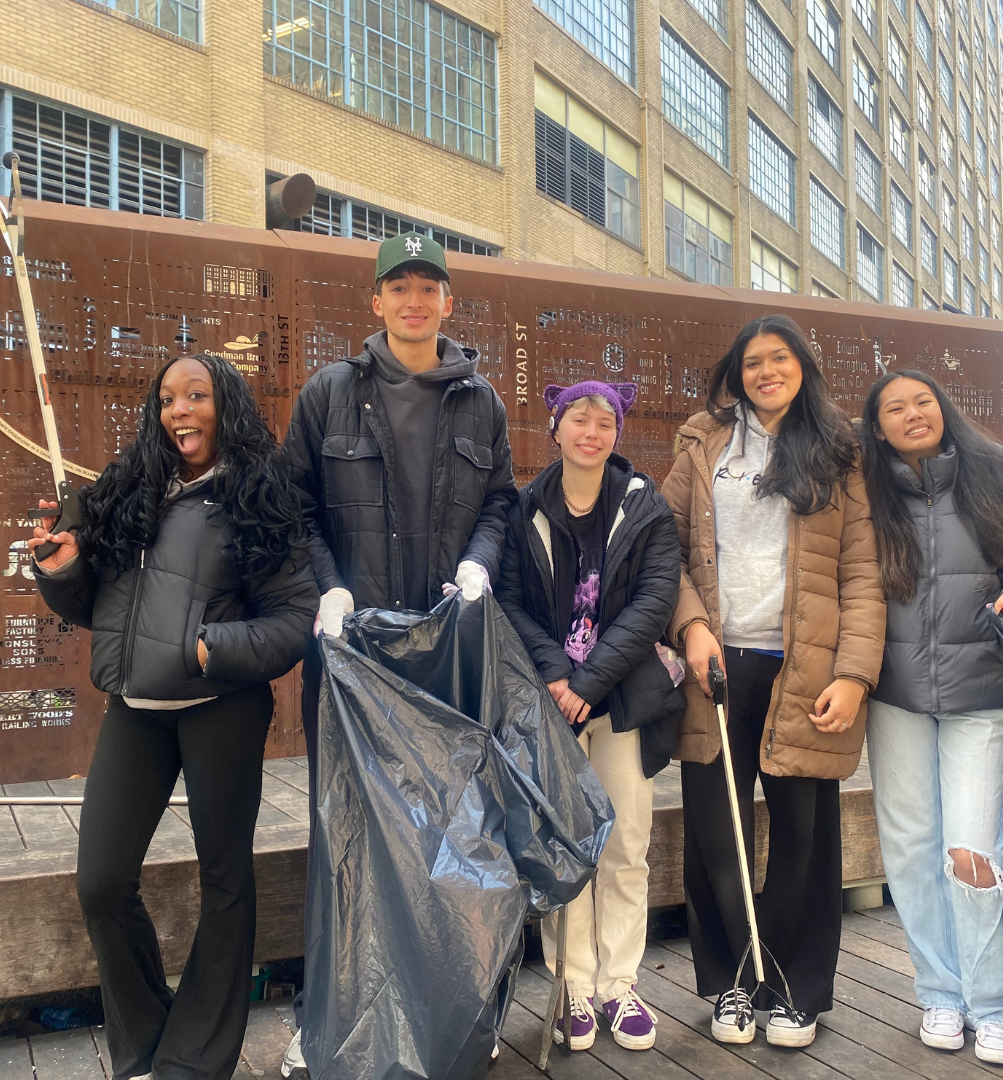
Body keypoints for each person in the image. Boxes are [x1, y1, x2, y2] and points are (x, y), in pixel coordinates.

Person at [28, 354, 318, 1080]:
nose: (179, 410)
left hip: (220, 705)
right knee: (100, 879)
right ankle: (145, 1046)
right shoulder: (132, 491)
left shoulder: (256, 494)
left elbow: (296, 620)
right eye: (167, 399)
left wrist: (205, 647)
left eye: (197, 396)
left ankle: (196, 1059)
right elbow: (96, 608)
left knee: (226, 880)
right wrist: (61, 570)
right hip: (136, 710)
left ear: (228, 406)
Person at [281, 232, 517, 1077]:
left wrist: (478, 565)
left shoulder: (480, 402)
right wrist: (328, 590)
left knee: (453, 840)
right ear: (375, 301)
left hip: (442, 657)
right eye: (399, 286)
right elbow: (294, 507)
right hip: (352, 658)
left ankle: (454, 1017)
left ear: (449, 302)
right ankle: (331, 1026)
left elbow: (500, 503)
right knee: (345, 839)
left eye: (430, 287)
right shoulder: (329, 394)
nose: (414, 300)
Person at [660, 314, 885, 1048]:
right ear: (736, 372)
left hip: (808, 670)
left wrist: (853, 674)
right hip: (717, 664)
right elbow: (663, 547)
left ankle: (796, 988)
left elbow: (861, 571)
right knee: (716, 832)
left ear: (802, 367)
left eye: (778, 359)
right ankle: (728, 984)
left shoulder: (839, 450)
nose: (765, 372)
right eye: (752, 362)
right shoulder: (703, 442)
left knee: (804, 838)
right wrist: (692, 626)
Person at [858, 370, 1003, 1066]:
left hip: (980, 696)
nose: (913, 415)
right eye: (895, 409)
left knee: (971, 852)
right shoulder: (866, 494)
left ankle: (995, 1003)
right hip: (895, 697)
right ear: (876, 426)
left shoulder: (996, 482)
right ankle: (940, 994)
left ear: (944, 411)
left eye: (923, 403)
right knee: (911, 852)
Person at [496, 380, 684, 1052]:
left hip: (625, 701)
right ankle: (574, 983)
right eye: (579, 418)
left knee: (626, 844)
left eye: (606, 421)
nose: (592, 431)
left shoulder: (646, 506)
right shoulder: (524, 510)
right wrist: (556, 673)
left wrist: (591, 679)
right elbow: (510, 600)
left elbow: (656, 601)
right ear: (556, 426)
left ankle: (618, 983)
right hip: (553, 706)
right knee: (568, 846)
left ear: (618, 432)